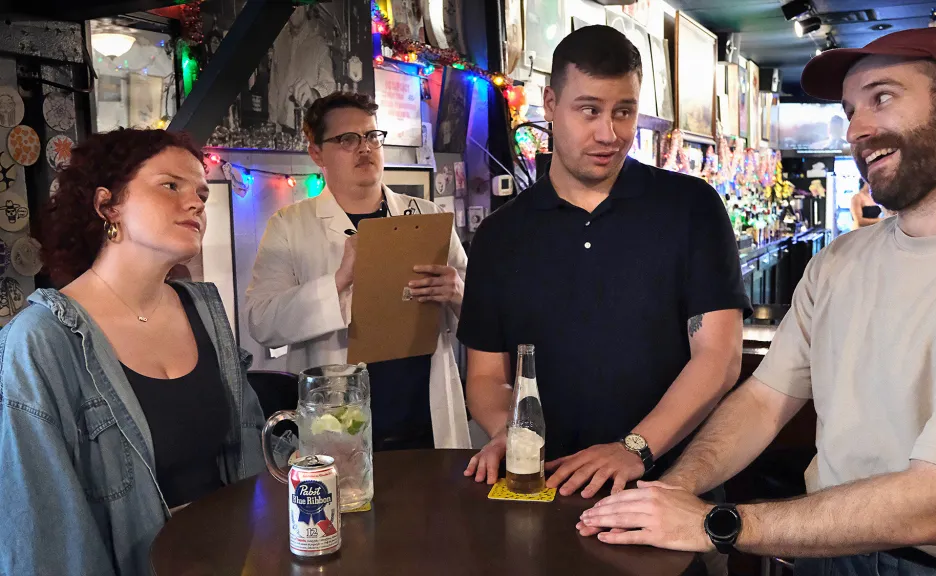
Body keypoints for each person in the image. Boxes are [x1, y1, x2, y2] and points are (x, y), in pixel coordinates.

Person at [577, 27, 936, 576]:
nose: (856, 129)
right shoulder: (840, 261)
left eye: (882, 97)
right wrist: (668, 494)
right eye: (850, 110)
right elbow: (765, 400)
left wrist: (716, 524)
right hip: (823, 553)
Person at [459, 25, 748, 499]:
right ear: (550, 104)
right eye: (589, 110)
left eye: (624, 112)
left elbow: (718, 358)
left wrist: (635, 448)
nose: (608, 134)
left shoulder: (690, 207)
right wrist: (509, 432)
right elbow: (487, 376)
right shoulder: (499, 235)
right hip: (547, 488)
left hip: (669, 490)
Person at [0, 129, 268, 576]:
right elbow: (42, 537)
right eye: (171, 185)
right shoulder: (41, 340)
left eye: (201, 193)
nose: (196, 203)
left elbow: (251, 451)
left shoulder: (204, 311)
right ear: (108, 205)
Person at [245, 91, 471, 451]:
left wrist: (458, 293)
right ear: (317, 153)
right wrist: (339, 281)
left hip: (427, 418)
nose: (364, 148)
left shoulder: (427, 214)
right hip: (339, 424)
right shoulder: (290, 225)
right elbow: (262, 321)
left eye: (371, 136)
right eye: (347, 139)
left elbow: (480, 319)